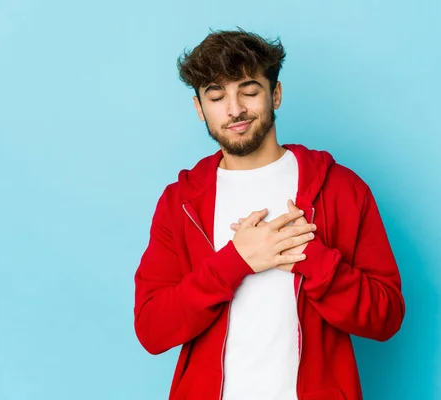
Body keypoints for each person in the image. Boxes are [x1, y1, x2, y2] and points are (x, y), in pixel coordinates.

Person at [133, 28, 405, 400]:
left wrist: (311, 258)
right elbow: (152, 329)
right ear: (199, 108)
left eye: (249, 91)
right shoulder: (180, 202)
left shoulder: (342, 188)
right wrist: (236, 261)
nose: (234, 109)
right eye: (216, 96)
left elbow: (386, 317)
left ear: (275, 94)